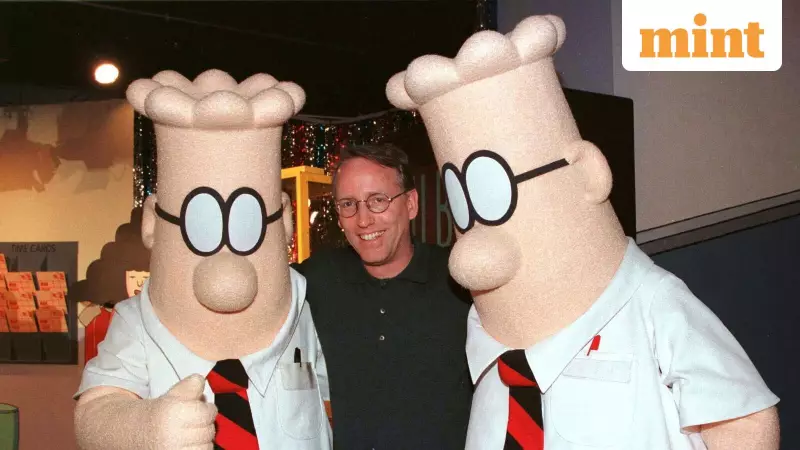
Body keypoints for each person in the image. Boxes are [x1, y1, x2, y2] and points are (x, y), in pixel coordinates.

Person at [294, 143, 473, 449]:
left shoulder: (459, 280)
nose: (363, 220)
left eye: (378, 200)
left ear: (411, 204)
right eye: (348, 204)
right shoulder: (319, 277)